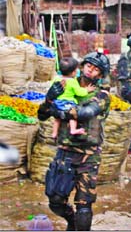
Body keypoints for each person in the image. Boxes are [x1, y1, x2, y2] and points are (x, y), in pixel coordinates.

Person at [37, 52, 111, 231]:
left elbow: (86, 113)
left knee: (84, 206)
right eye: (88, 66)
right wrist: (49, 99)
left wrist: (60, 112)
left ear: (100, 75)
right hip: (65, 152)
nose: (90, 71)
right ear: (81, 66)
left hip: (88, 155)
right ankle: (71, 221)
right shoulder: (65, 86)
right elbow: (41, 115)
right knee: (55, 201)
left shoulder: (102, 95)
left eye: (96, 70)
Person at [51, 57, 96, 139]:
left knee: (57, 119)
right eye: (76, 70)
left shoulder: (56, 79)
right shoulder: (72, 82)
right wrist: (87, 90)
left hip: (57, 103)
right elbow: (79, 92)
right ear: (73, 72)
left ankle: (54, 133)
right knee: (73, 116)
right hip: (67, 104)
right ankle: (73, 129)